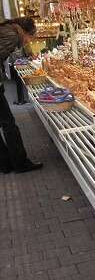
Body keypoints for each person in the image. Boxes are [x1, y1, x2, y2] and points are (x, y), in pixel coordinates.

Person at [0, 17, 43, 174]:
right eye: (31, 38)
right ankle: (20, 163)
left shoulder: (9, 31)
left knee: (5, 122)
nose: (29, 41)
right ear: (26, 33)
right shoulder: (12, 35)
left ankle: (5, 164)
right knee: (8, 123)